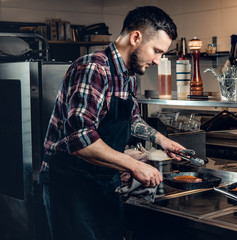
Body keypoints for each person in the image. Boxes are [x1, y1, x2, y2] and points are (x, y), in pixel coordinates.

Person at [40, 5, 184, 240]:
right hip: (71, 184)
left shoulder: (127, 75)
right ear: (136, 37)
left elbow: (132, 118)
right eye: (156, 51)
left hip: (104, 180)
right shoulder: (94, 67)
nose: (158, 61)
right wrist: (133, 165)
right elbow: (81, 140)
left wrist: (161, 140)